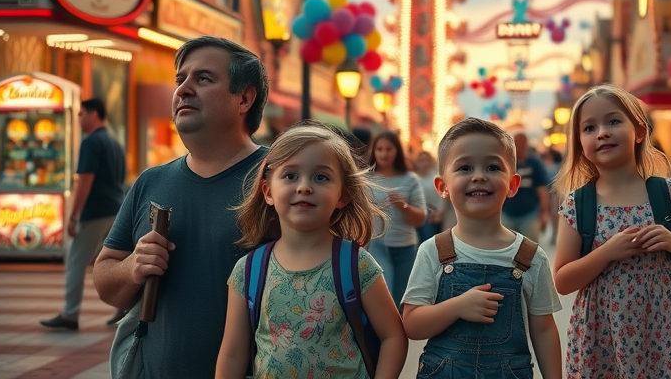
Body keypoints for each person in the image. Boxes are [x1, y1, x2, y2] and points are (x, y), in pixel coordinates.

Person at [93, 36, 269, 379]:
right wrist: (132, 267)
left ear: (244, 98)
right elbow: (104, 281)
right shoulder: (150, 182)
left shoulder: (281, 180)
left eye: (203, 79)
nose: (184, 89)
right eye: (180, 80)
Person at [215, 121, 408, 379]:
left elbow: (393, 336)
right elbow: (233, 353)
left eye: (321, 177)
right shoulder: (248, 271)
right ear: (268, 191)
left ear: (342, 195)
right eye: (290, 175)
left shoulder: (357, 265)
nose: (304, 186)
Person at [553, 85, 671, 378]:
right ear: (580, 143)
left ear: (639, 131)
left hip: (662, 330)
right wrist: (607, 252)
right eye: (589, 127)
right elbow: (563, 281)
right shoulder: (577, 204)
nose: (602, 132)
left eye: (613, 121)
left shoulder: (669, 194)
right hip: (599, 335)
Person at [401, 117, 562, 379]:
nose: (478, 176)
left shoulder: (531, 257)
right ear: (443, 187)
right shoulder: (433, 250)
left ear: (513, 185)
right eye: (464, 168)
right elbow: (412, 324)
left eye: (492, 167)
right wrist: (457, 306)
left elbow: (543, 330)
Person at [40, 98, 126, 330]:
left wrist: (74, 215)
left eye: (82, 114)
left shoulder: (91, 143)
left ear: (94, 114)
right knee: (118, 258)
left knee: (75, 259)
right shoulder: (114, 143)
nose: (79, 119)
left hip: (96, 211)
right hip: (116, 209)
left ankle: (70, 314)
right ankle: (124, 307)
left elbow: (85, 180)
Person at [367, 130, 426, 309]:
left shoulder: (410, 180)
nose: (384, 153)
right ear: (374, 151)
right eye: (380, 149)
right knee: (381, 298)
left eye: (389, 149)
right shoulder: (366, 179)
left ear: (397, 151)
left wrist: (404, 206)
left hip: (404, 248)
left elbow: (421, 219)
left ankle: (398, 335)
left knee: (400, 298)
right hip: (375, 246)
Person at [502, 133, 550, 242]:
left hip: (530, 214)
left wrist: (544, 212)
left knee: (529, 250)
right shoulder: (506, 164)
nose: (520, 147)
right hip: (507, 213)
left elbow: (542, 188)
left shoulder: (534, 163)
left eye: (522, 144)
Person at [414, 151, 444, 243]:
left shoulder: (437, 178)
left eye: (427, 160)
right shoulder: (413, 179)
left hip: (438, 215)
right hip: (421, 216)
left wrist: (440, 213)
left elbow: (443, 198)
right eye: (421, 160)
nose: (424, 163)